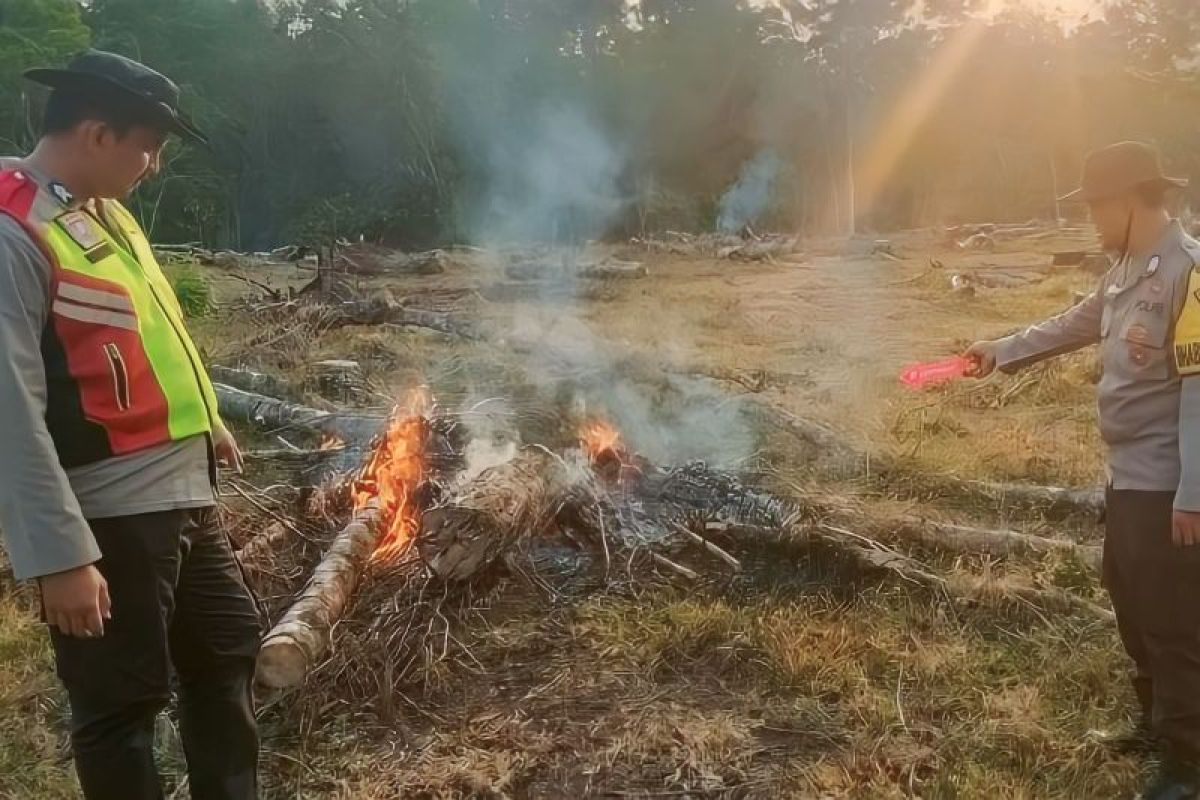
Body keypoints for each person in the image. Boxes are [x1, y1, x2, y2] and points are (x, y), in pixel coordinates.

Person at [0, 50, 260, 800]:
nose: (151, 163)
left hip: (182, 494)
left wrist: (206, 420)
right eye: (148, 144)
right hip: (112, 514)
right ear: (95, 133)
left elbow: (149, 326)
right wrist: (56, 555)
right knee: (120, 704)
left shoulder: (100, 213)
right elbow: (9, 408)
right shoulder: (15, 232)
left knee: (228, 651)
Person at [966, 140, 1200, 800]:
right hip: (1127, 479)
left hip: (1168, 486)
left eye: (1096, 206)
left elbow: (1199, 394)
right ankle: (1156, 723)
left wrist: (1194, 494)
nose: (1090, 220)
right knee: (1129, 599)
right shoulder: (1125, 268)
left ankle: (1186, 760)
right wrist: (1001, 350)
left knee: (1173, 620)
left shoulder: (1190, 272)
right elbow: (1077, 322)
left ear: (1128, 200)